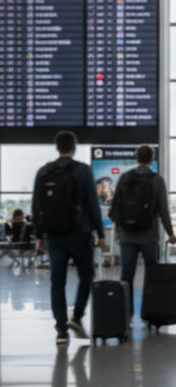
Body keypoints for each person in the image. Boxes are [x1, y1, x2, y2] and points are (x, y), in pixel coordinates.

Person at [32, 130, 107, 345]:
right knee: (86, 275)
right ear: (74, 147)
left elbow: (36, 206)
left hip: (53, 235)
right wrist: (100, 234)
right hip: (79, 233)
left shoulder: (43, 171)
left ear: (57, 147)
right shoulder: (82, 171)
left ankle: (61, 331)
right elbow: (92, 204)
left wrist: (39, 236)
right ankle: (77, 315)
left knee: (57, 281)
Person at [110, 145, 176, 316]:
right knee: (153, 274)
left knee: (126, 275)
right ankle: (151, 312)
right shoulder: (156, 180)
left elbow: (115, 207)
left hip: (127, 235)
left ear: (137, 158)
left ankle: (126, 314)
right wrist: (170, 233)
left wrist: (120, 229)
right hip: (149, 235)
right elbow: (163, 210)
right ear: (151, 160)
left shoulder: (125, 177)